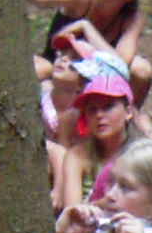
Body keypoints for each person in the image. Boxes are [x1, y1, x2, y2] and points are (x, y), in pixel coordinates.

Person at [26, 0, 152, 95]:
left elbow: (120, 63)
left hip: (96, 82)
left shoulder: (132, 18)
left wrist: (86, 27)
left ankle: (125, 108)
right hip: (56, 69)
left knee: (141, 71)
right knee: (41, 69)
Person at [53, 54, 139, 214]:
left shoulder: (144, 152)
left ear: (128, 112)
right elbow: (71, 213)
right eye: (92, 109)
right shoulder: (77, 156)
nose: (99, 115)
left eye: (108, 107)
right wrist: (103, 203)